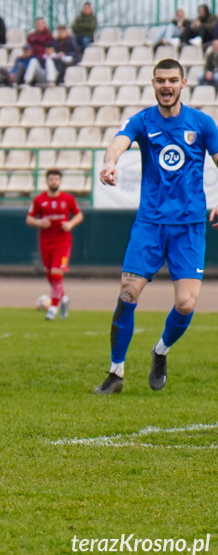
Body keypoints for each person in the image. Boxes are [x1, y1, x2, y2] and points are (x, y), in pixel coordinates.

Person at [94, 59, 218, 395]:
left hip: (189, 226)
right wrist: (110, 162)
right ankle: (116, 372)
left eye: (173, 80)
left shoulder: (203, 123)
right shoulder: (142, 121)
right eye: (161, 80)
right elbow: (119, 141)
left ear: (183, 83)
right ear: (153, 83)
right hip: (150, 223)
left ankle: (160, 351)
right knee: (127, 293)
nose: (167, 86)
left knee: (186, 304)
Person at [26, 169, 83, 321]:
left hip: (62, 242)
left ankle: (52, 308)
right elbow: (29, 219)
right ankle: (63, 300)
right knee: (50, 276)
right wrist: (39, 222)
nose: (54, 182)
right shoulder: (39, 200)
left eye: (56, 179)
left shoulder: (68, 199)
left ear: (60, 181)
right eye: (51, 179)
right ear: (47, 181)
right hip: (46, 242)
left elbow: (78, 214)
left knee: (56, 273)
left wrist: (70, 224)